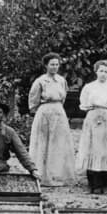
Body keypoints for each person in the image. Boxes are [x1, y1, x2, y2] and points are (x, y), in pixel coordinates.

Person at [27, 53, 76, 186]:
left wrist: (57, 109)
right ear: (46, 65)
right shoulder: (40, 81)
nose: (54, 67)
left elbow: (63, 97)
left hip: (59, 113)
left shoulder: (61, 80)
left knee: (59, 143)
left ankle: (58, 175)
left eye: (56, 64)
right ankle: (43, 176)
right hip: (44, 113)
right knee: (44, 143)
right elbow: (33, 101)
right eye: (52, 64)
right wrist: (41, 113)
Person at [77, 59, 107, 194]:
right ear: (96, 71)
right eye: (101, 71)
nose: (103, 74)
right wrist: (93, 110)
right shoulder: (89, 87)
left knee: (106, 149)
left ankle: (103, 182)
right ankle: (93, 182)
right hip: (93, 116)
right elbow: (83, 104)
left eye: (106, 71)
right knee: (92, 148)